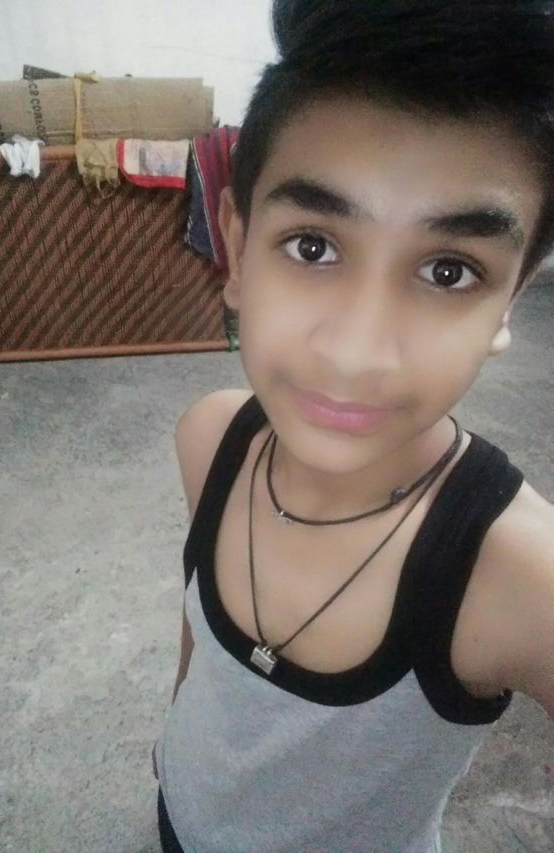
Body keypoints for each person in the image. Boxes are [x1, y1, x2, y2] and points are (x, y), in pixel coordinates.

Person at [153, 1, 554, 850]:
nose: (357, 352)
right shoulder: (211, 439)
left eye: (449, 271)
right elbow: (201, 649)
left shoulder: (521, 577)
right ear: (236, 246)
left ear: (510, 302)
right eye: (312, 246)